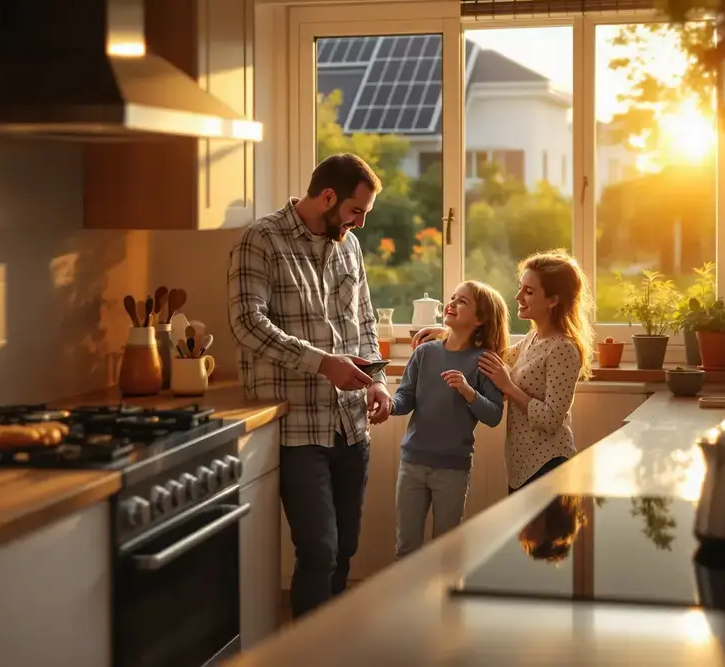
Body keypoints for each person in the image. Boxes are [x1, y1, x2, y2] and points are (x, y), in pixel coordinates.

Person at [228, 153, 393, 619]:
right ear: (328, 197)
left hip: (350, 425)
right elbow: (246, 323)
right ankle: (306, 650)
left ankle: (331, 640)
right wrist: (322, 364)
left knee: (345, 548)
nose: (360, 223)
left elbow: (364, 320)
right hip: (298, 428)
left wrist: (378, 381)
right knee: (319, 550)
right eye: (356, 211)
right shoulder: (261, 239)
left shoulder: (348, 247)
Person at [414, 249, 595, 493]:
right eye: (520, 287)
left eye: (529, 291)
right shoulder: (533, 338)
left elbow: (552, 420)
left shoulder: (563, 348)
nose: (518, 296)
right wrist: (448, 333)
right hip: (521, 467)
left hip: (549, 465)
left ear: (553, 300)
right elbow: (492, 356)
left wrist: (509, 386)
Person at [387, 281, 509, 560]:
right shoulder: (423, 353)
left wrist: (469, 392)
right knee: (406, 549)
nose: (451, 304)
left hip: (453, 470)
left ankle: (444, 592)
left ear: (480, 319)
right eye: (452, 298)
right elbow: (405, 397)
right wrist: (390, 406)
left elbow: (493, 416)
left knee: (446, 553)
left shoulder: (485, 362)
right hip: (412, 464)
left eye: (462, 301)